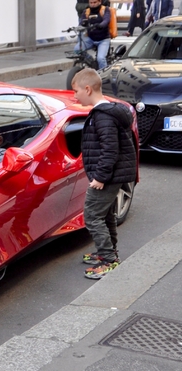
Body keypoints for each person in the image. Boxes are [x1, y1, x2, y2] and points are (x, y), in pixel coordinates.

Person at [71, 68, 137, 279]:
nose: (74, 95)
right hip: (112, 175)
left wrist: (100, 177)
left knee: (92, 215)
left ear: (88, 89)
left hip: (107, 176)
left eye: (76, 91)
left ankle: (109, 259)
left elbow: (110, 150)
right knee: (106, 214)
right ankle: (108, 251)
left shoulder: (103, 117)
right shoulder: (107, 113)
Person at [75, 0, 112, 70]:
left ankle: (103, 76)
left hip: (103, 39)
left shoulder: (105, 9)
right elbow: (81, 22)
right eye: (91, 3)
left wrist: (101, 25)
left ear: (99, 2)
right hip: (91, 39)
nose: (92, 4)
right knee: (77, 50)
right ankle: (91, 62)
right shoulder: (86, 11)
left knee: (101, 58)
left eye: (94, 2)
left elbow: (106, 20)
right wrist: (81, 25)